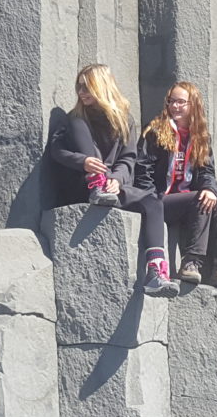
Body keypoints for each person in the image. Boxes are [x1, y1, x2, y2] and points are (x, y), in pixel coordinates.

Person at [49, 63, 179, 298]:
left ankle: (155, 272)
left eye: (87, 87)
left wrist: (117, 180)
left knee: (153, 202)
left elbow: (129, 158)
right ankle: (96, 182)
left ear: (102, 87)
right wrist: (83, 162)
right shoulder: (73, 119)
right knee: (79, 120)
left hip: (111, 187)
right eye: (79, 87)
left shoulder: (125, 120)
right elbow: (56, 151)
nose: (81, 92)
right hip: (81, 184)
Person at [136, 81, 217, 290]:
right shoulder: (155, 130)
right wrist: (150, 199)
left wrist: (210, 189)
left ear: (193, 105)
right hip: (160, 201)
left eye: (181, 102)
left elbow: (207, 171)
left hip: (186, 203)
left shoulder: (200, 137)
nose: (174, 106)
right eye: (171, 101)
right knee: (198, 199)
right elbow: (143, 169)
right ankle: (192, 262)